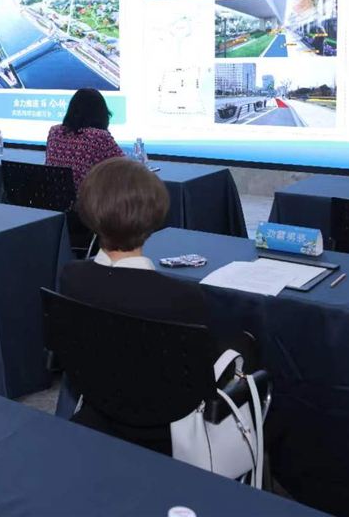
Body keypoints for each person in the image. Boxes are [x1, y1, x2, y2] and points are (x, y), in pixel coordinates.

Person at [59, 158, 253, 445]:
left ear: (88, 212)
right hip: (171, 432)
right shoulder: (183, 299)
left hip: (101, 410)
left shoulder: (71, 277)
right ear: (154, 218)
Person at [46, 88, 125, 189]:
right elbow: (126, 168)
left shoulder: (54, 132)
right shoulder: (100, 137)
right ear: (101, 113)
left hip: (54, 195)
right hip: (86, 197)